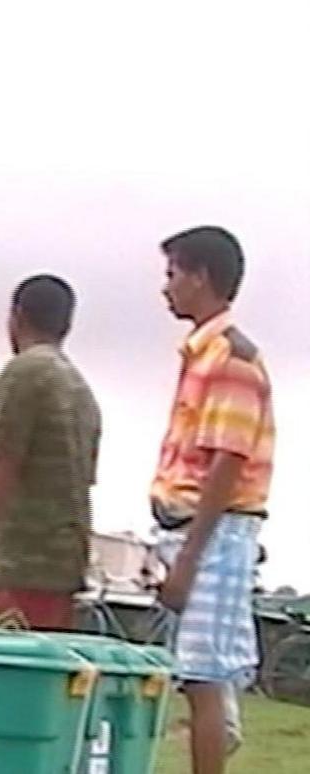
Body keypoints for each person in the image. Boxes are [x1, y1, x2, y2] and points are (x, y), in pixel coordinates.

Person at [150, 226, 273, 774]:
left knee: (203, 678)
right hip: (195, 529)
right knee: (196, 678)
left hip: (215, 533)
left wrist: (188, 563)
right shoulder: (204, 354)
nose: (166, 287)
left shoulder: (230, 358)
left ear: (200, 277)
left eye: (173, 273)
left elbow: (227, 462)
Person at [0, 275, 101, 631]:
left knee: (8, 673)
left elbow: (3, 463)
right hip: (66, 559)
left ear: (17, 316)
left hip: (23, 558)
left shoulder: (25, 372)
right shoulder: (81, 390)